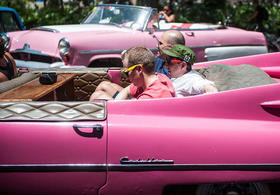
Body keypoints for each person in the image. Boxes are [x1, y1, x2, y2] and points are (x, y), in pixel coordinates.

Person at [89, 30, 185, 101]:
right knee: (103, 85)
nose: (156, 46)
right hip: (144, 88)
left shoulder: (178, 70)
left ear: (170, 47)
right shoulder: (160, 72)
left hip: (148, 99)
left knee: (97, 96)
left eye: (160, 43)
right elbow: (144, 59)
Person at [89, 46, 175, 101]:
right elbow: (127, 90)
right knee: (101, 90)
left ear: (139, 69)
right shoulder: (160, 77)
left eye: (127, 72)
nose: (127, 78)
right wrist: (116, 103)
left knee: (96, 96)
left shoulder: (150, 98)